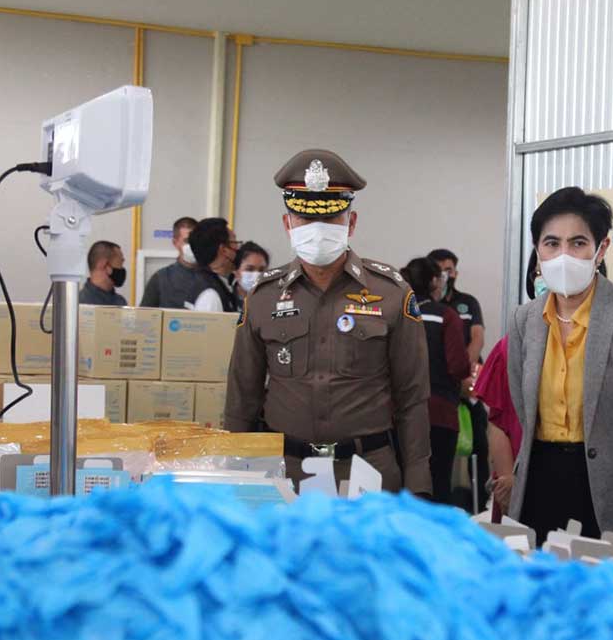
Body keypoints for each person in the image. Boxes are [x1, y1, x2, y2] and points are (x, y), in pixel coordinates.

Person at [225, 149, 431, 494]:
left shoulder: (392, 293)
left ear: (351, 223)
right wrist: (232, 475)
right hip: (284, 474)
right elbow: (241, 399)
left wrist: (419, 484)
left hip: (368, 474)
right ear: (287, 224)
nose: (316, 231)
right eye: (304, 220)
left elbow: (412, 399)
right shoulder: (262, 298)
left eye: (331, 219)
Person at [506, 187, 613, 538]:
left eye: (578, 243)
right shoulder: (525, 320)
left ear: (601, 249)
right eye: (552, 243)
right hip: (539, 480)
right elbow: (524, 409)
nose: (564, 254)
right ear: (537, 251)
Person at [472, 250, 538, 519]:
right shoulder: (511, 347)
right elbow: (498, 421)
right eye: (539, 272)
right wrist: (508, 478)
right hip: (520, 479)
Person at [402, 256, 469, 505]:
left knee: (403, 487)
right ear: (433, 281)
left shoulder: (398, 312)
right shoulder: (445, 316)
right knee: (438, 484)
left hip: (399, 414)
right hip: (439, 413)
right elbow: (458, 365)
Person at [429, 246, 489, 509]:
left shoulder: (467, 302)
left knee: (481, 440)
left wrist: (465, 370)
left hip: (468, 377)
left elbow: (477, 337)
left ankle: (484, 501)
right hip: (441, 383)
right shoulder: (427, 304)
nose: (445, 275)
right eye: (440, 270)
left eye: (449, 270)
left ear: (456, 272)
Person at [140, 215, 198, 307]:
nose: (193, 244)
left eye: (196, 240)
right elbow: (145, 316)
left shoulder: (211, 277)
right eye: (187, 241)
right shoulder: (161, 278)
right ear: (175, 243)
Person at [184, 217, 240, 312]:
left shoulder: (205, 282)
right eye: (235, 242)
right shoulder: (211, 297)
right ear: (224, 250)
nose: (238, 248)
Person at [79, 240, 127, 306]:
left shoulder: (120, 302)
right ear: (105, 266)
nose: (122, 269)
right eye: (120, 264)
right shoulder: (79, 304)